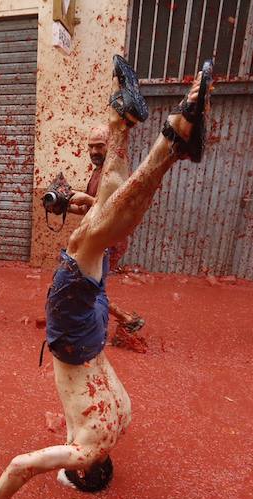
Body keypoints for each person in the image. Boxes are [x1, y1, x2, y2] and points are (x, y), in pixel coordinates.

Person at [0, 56, 209, 499]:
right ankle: (170, 142)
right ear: (87, 471)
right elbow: (21, 465)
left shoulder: (123, 421)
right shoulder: (84, 450)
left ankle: (122, 122)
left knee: (100, 226)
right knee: (90, 237)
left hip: (92, 331)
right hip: (73, 339)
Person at [67, 126, 145, 344]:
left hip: (109, 239)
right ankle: (120, 319)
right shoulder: (98, 172)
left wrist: (86, 199)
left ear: (111, 145)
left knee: (89, 284)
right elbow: (90, 210)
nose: (93, 151)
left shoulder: (116, 173)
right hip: (96, 237)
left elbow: (115, 210)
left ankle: (123, 319)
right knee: (86, 281)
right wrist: (66, 207)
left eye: (99, 146)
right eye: (90, 146)